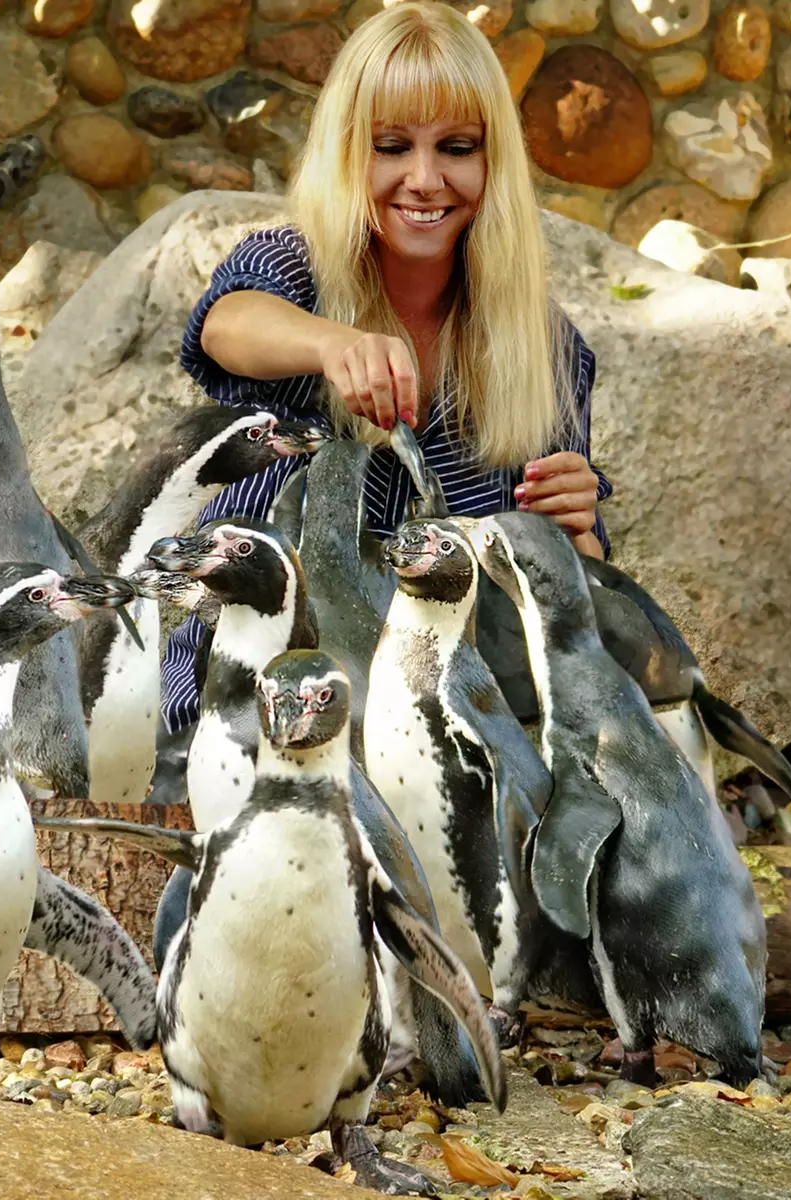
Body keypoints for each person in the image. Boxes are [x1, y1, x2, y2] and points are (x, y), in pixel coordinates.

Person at [159, 0, 612, 732]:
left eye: (458, 147)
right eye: (391, 145)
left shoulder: (545, 347)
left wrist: (577, 530)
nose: (425, 179)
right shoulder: (292, 269)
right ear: (346, 152)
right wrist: (331, 344)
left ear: (494, 161)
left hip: (438, 726)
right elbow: (225, 324)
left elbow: (569, 594)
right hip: (245, 708)